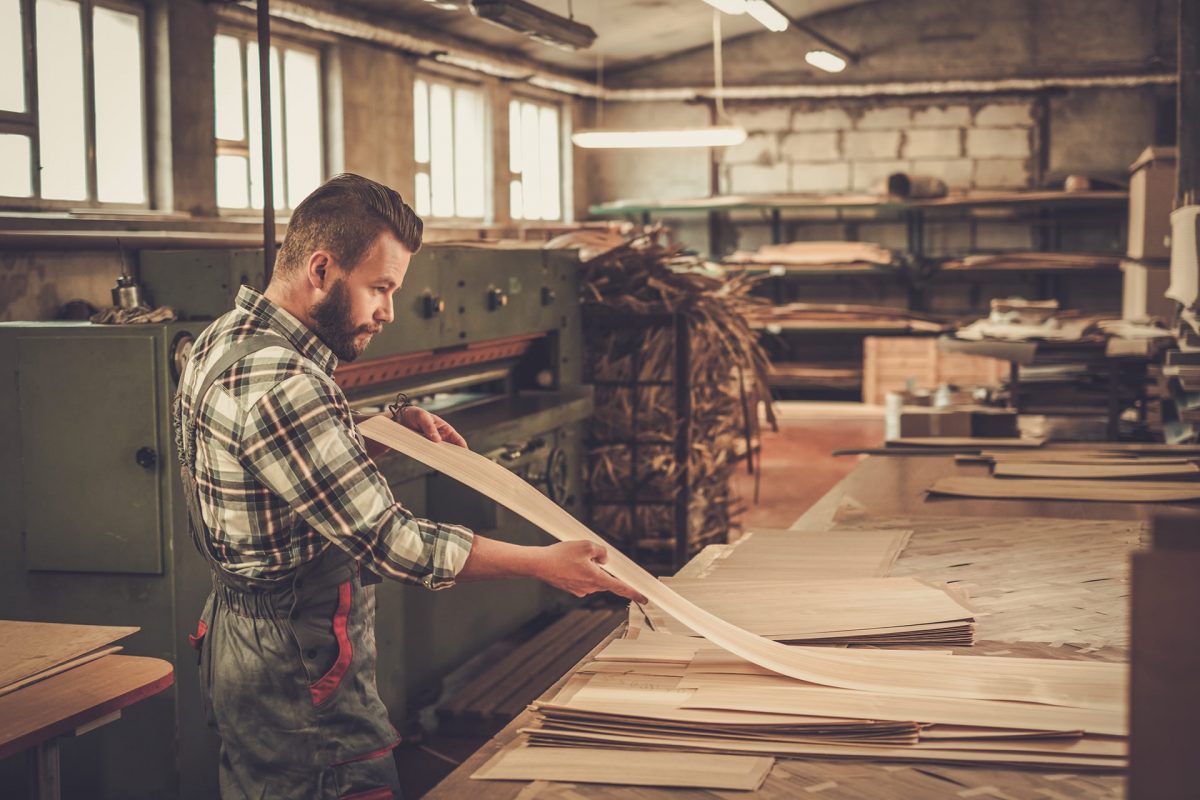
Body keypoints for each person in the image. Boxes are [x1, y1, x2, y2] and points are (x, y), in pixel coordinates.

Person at [172, 173, 646, 799]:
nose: (389, 311)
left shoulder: (226, 339)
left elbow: (274, 471)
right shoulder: (284, 382)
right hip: (294, 653)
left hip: (243, 633)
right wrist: (544, 563)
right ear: (321, 268)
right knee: (334, 783)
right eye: (380, 288)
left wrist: (386, 431)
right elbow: (390, 541)